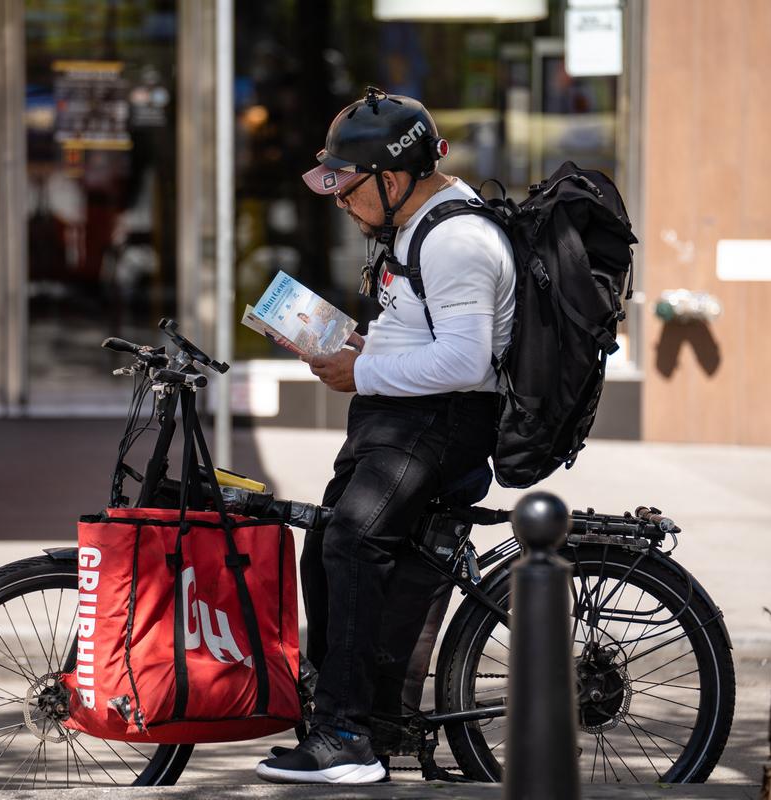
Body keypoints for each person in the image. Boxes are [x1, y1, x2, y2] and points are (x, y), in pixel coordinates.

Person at [255, 87, 515, 784]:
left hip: (440, 421)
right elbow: (427, 336)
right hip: (403, 417)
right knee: (326, 543)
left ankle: (348, 736)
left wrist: (361, 369)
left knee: (352, 541)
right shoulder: (415, 227)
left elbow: (465, 360)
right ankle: (356, 713)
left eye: (349, 187)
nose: (341, 202)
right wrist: (354, 346)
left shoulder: (458, 237)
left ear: (393, 179)